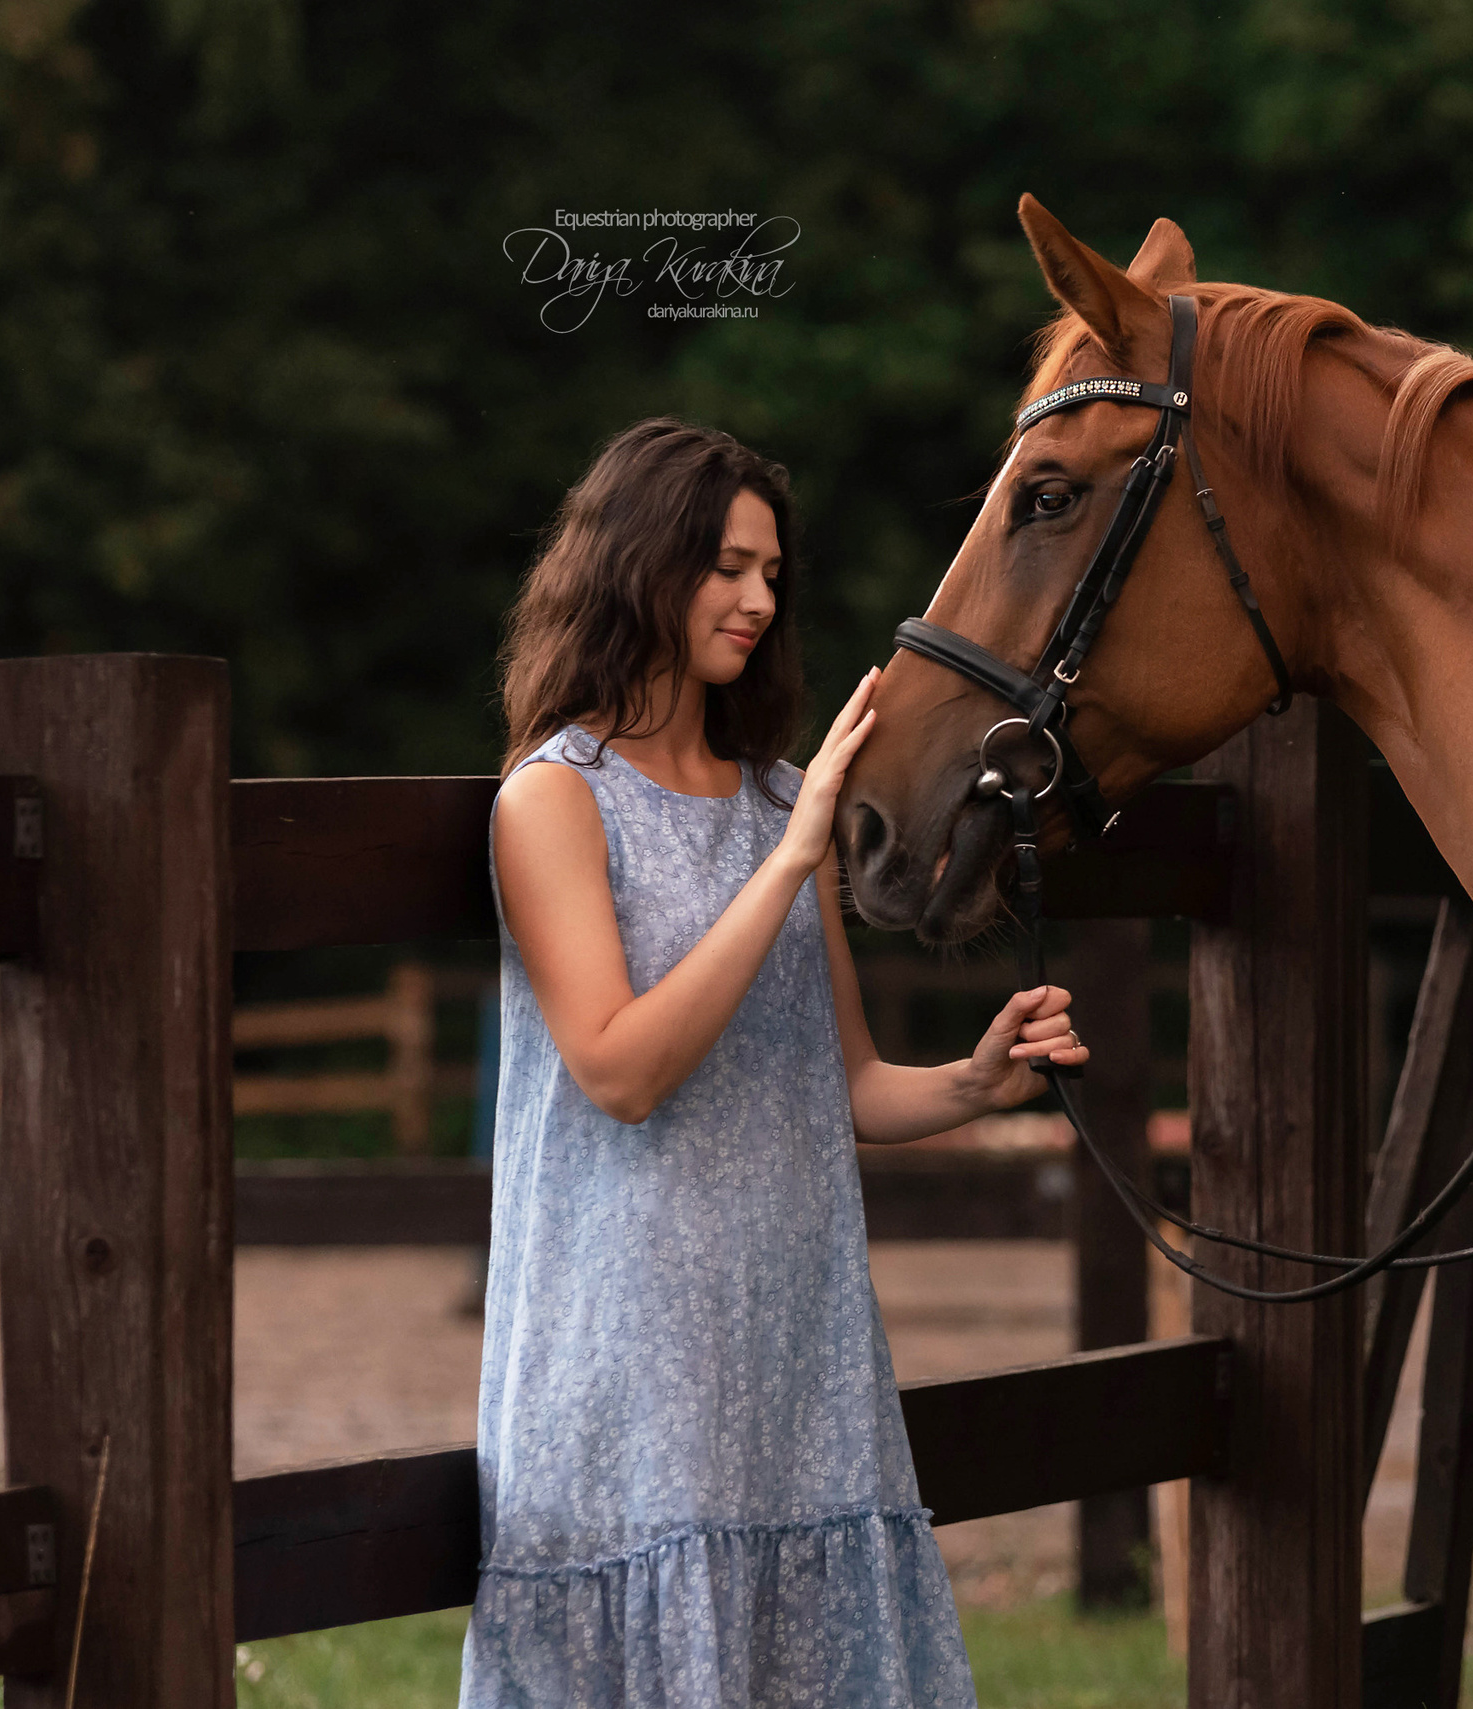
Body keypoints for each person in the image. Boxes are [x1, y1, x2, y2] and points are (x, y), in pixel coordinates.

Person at [464, 418, 1086, 1707]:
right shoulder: (553, 798)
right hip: (630, 1359)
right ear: (638, 565)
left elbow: (849, 1083)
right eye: (725, 567)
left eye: (770, 574)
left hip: (799, 1353)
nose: (757, 600)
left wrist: (975, 1080)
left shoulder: (770, 796)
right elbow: (620, 1070)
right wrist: (796, 858)